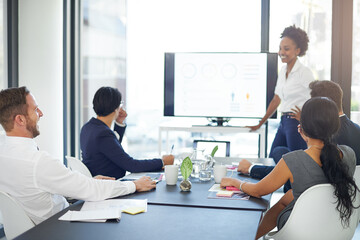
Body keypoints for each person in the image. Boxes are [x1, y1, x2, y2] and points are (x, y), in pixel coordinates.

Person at [0, 87, 156, 224]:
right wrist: (134, 185)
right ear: (20, 119)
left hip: (34, 227)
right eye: (35, 110)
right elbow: (91, 190)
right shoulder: (38, 162)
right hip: (59, 227)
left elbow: (39, 187)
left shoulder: (5, 150)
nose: (41, 113)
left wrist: (87, 182)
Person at [222, 97, 358, 239]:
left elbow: (258, 191)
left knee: (291, 196)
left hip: (303, 230)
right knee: (290, 196)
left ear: (302, 126)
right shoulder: (348, 154)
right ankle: (253, 236)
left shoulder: (293, 161)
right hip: (338, 227)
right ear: (335, 126)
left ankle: (250, 237)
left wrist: (234, 182)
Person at [238, 81, 360, 191]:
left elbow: (296, 168)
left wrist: (251, 168)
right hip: (348, 193)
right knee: (280, 150)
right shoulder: (356, 130)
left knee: (283, 155)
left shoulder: (326, 135)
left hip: (312, 190)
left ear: (321, 105)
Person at [248, 25, 314, 159]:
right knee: (274, 157)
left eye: (286, 49)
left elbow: (317, 97)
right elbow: (276, 99)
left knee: (296, 162)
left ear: (297, 50)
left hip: (296, 123)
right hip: (283, 121)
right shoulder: (283, 70)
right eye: (280, 48)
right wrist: (260, 123)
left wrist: (305, 117)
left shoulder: (304, 72)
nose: (281, 52)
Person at [80, 87, 174, 179]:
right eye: (120, 104)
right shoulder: (103, 134)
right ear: (115, 108)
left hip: (98, 181)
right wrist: (162, 161)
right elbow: (132, 165)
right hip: (111, 184)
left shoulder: (88, 127)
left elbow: (112, 149)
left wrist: (119, 123)